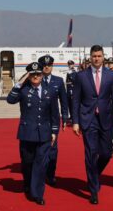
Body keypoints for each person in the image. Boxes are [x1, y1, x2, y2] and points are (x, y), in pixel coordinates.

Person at [72, 45, 113, 205]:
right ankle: (93, 191)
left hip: (106, 119)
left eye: (99, 56)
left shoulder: (111, 76)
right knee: (91, 154)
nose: (97, 59)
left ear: (103, 57)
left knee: (107, 154)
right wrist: (75, 122)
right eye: (94, 56)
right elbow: (76, 100)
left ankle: (94, 175)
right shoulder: (81, 76)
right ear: (90, 57)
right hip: (88, 120)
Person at [7, 62, 59, 205]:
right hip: (27, 133)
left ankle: (37, 194)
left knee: (41, 164)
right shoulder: (23, 90)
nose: (36, 76)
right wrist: (19, 83)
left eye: (38, 74)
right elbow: (10, 100)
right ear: (29, 76)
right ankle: (28, 184)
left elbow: (55, 113)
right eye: (33, 74)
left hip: (44, 134)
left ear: (42, 75)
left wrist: (55, 131)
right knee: (27, 162)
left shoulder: (50, 91)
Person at [38, 54, 68, 186]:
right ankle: (39, 174)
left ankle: (50, 175)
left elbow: (64, 100)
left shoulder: (58, 81)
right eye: (44, 66)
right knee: (39, 148)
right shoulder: (35, 80)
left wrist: (65, 116)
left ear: (52, 66)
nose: (46, 67)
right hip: (39, 120)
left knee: (52, 149)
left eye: (49, 65)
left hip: (53, 120)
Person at [66, 60, 77, 124]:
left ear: (73, 65)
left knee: (72, 105)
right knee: (69, 104)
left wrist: (72, 90)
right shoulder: (68, 71)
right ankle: (71, 116)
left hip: (72, 89)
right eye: (69, 64)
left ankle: (73, 117)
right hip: (68, 89)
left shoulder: (74, 72)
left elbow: (74, 81)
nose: (70, 65)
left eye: (71, 64)